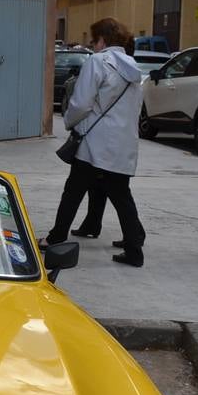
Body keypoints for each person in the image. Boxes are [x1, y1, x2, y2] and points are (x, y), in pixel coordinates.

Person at [43, 17, 147, 266]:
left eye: (94, 40)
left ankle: (56, 238)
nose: (92, 45)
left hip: (95, 143)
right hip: (122, 143)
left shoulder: (98, 62)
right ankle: (134, 248)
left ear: (101, 40)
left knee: (73, 191)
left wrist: (69, 121)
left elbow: (80, 103)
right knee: (121, 195)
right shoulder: (133, 68)